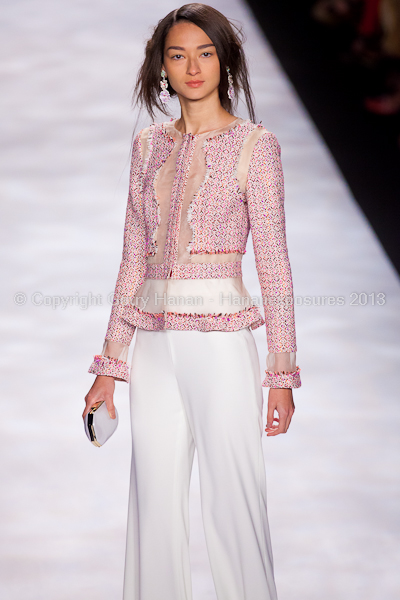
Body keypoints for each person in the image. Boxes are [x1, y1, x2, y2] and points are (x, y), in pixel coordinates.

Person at [83, 4, 301, 599]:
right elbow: (133, 259)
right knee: (152, 500)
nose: (193, 66)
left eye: (205, 52)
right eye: (178, 55)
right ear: (162, 68)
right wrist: (110, 366)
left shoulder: (257, 145)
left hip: (223, 343)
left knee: (235, 502)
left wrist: (281, 370)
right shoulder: (147, 147)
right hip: (153, 345)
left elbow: (275, 263)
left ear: (225, 60)